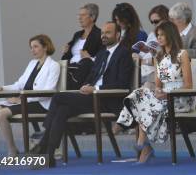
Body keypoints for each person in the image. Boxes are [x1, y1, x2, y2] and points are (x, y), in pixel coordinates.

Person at [30, 22, 133, 168]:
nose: (103, 35)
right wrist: (86, 86)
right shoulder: (102, 53)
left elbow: (122, 84)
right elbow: (91, 76)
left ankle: (43, 144)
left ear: (118, 35)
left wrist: (96, 88)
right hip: (91, 98)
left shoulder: (124, 53)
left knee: (59, 97)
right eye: (103, 32)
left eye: (108, 33)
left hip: (108, 99)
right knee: (62, 110)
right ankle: (49, 155)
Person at [116, 21, 194, 164]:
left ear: (170, 35)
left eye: (162, 35)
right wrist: (158, 90)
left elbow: (188, 85)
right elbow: (158, 85)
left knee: (144, 103)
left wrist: (166, 93)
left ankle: (142, 143)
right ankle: (143, 145)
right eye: (158, 35)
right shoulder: (158, 57)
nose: (159, 38)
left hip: (179, 97)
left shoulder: (182, 54)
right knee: (139, 94)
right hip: (163, 96)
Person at [0, 35, 59, 164]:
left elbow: (49, 91)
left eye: (36, 47)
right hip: (25, 101)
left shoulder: (54, 65)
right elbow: (19, 84)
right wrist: (1, 87)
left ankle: (12, 150)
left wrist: (22, 100)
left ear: (45, 47)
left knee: (1, 114)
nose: (32, 50)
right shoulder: (32, 63)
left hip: (40, 103)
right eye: (31, 47)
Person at [62, 3, 102, 89]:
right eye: (78, 15)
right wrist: (65, 52)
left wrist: (89, 59)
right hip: (70, 69)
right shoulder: (77, 34)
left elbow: (103, 57)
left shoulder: (99, 35)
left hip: (84, 72)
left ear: (93, 17)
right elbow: (67, 56)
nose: (79, 18)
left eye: (83, 15)